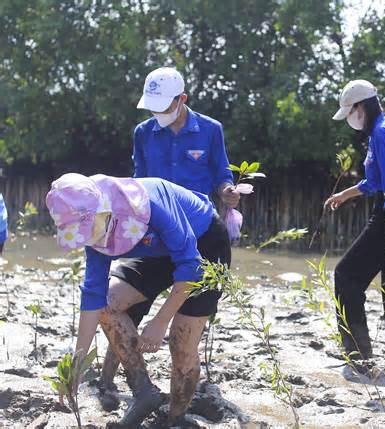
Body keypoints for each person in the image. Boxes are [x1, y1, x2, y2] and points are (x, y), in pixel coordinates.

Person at [99, 66, 241, 409]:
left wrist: (227, 191)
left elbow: (221, 171)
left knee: (181, 340)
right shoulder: (143, 133)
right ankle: (111, 384)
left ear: (182, 100)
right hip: (154, 230)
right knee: (115, 304)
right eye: (153, 107)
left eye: (165, 105)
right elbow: (139, 181)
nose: (158, 113)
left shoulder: (210, 130)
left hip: (201, 233)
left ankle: (175, 415)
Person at [46, 173, 230, 427]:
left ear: (105, 208)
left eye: (92, 229)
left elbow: (191, 265)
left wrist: (160, 321)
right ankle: (145, 393)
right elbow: (92, 297)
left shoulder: (150, 204)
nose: (92, 237)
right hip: (157, 251)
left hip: (203, 243)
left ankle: (176, 418)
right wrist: (75, 367)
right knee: (109, 303)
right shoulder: (94, 234)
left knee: (182, 340)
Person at [324, 80, 385, 369]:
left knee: (346, 275)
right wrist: (346, 194)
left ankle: (357, 351)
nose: (350, 120)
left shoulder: (381, 133)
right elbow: (377, 181)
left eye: (350, 112)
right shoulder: (384, 129)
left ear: (360, 106)